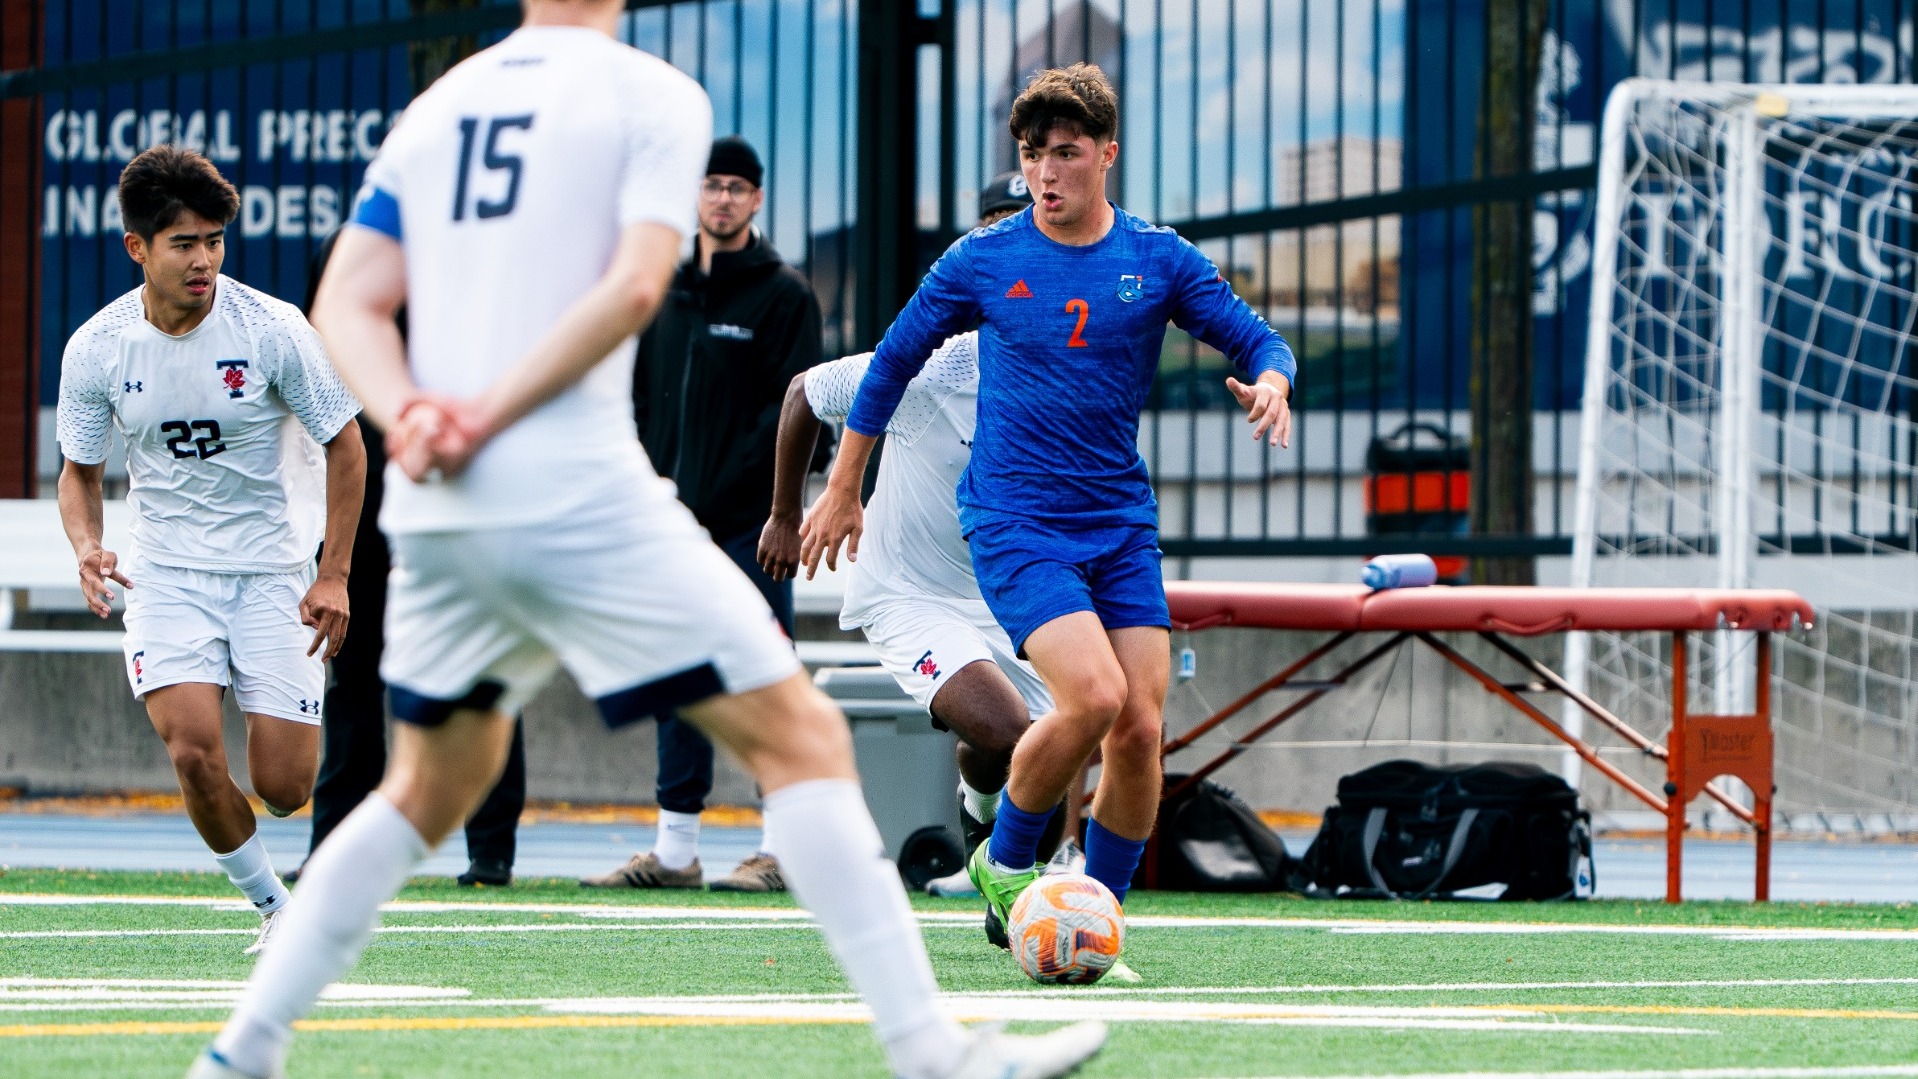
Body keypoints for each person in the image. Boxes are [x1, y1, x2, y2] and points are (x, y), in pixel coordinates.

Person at [187, 4, 1104, 1077]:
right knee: (800, 740)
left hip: (442, 509)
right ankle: (931, 1051)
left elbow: (345, 295)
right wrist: (489, 410)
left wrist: (416, 411)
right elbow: (631, 287)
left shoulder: (446, 104)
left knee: (425, 788)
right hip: (576, 493)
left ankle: (240, 1052)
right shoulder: (652, 95)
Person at [800, 63, 1295, 947]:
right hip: (1016, 519)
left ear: (1107, 154)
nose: (1046, 174)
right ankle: (1008, 858)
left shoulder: (1157, 259)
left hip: (1117, 524)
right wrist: (843, 484)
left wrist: (1271, 380)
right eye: (1033, 155)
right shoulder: (984, 259)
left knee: (1142, 729)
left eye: (1066, 153)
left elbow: (1259, 337)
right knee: (1095, 697)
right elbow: (889, 364)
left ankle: (1092, 923)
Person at [54, 146, 365, 956]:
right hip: (167, 574)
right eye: (183, 243)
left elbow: (347, 445)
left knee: (286, 787)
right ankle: (275, 907)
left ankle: (281, 862)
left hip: (272, 572)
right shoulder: (97, 348)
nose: (204, 260)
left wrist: (333, 572)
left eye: (215, 240)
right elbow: (79, 472)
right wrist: (88, 545)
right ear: (137, 248)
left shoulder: (272, 330)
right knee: (192, 750)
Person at [760, 173, 1078, 898]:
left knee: (1050, 746)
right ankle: (1001, 868)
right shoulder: (937, 364)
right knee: (1012, 732)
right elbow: (805, 392)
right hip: (909, 594)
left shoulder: (1071, 371)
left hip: (1008, 596)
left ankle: (986, 831)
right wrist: (791, 509)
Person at [583, 135, 820, 895]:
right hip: (667, 527)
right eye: (711, 185)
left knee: (762, 681)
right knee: (675, 680)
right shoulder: (664, 290)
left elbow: (795, 416)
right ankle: (676, 851)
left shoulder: (785, 295)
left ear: (756, 200)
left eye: (736, 187)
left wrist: (742, 505)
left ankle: (777, 847)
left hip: (751, 528)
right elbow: (636, 402)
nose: (722, 198)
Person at [293, 232, 528, 889]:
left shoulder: (469, 263)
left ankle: (491, 848)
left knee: (479, 664)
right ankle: (334, 843)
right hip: (360, 498)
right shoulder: (345, 251)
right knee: (354, 673)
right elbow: (317, 359)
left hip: (452, 491)